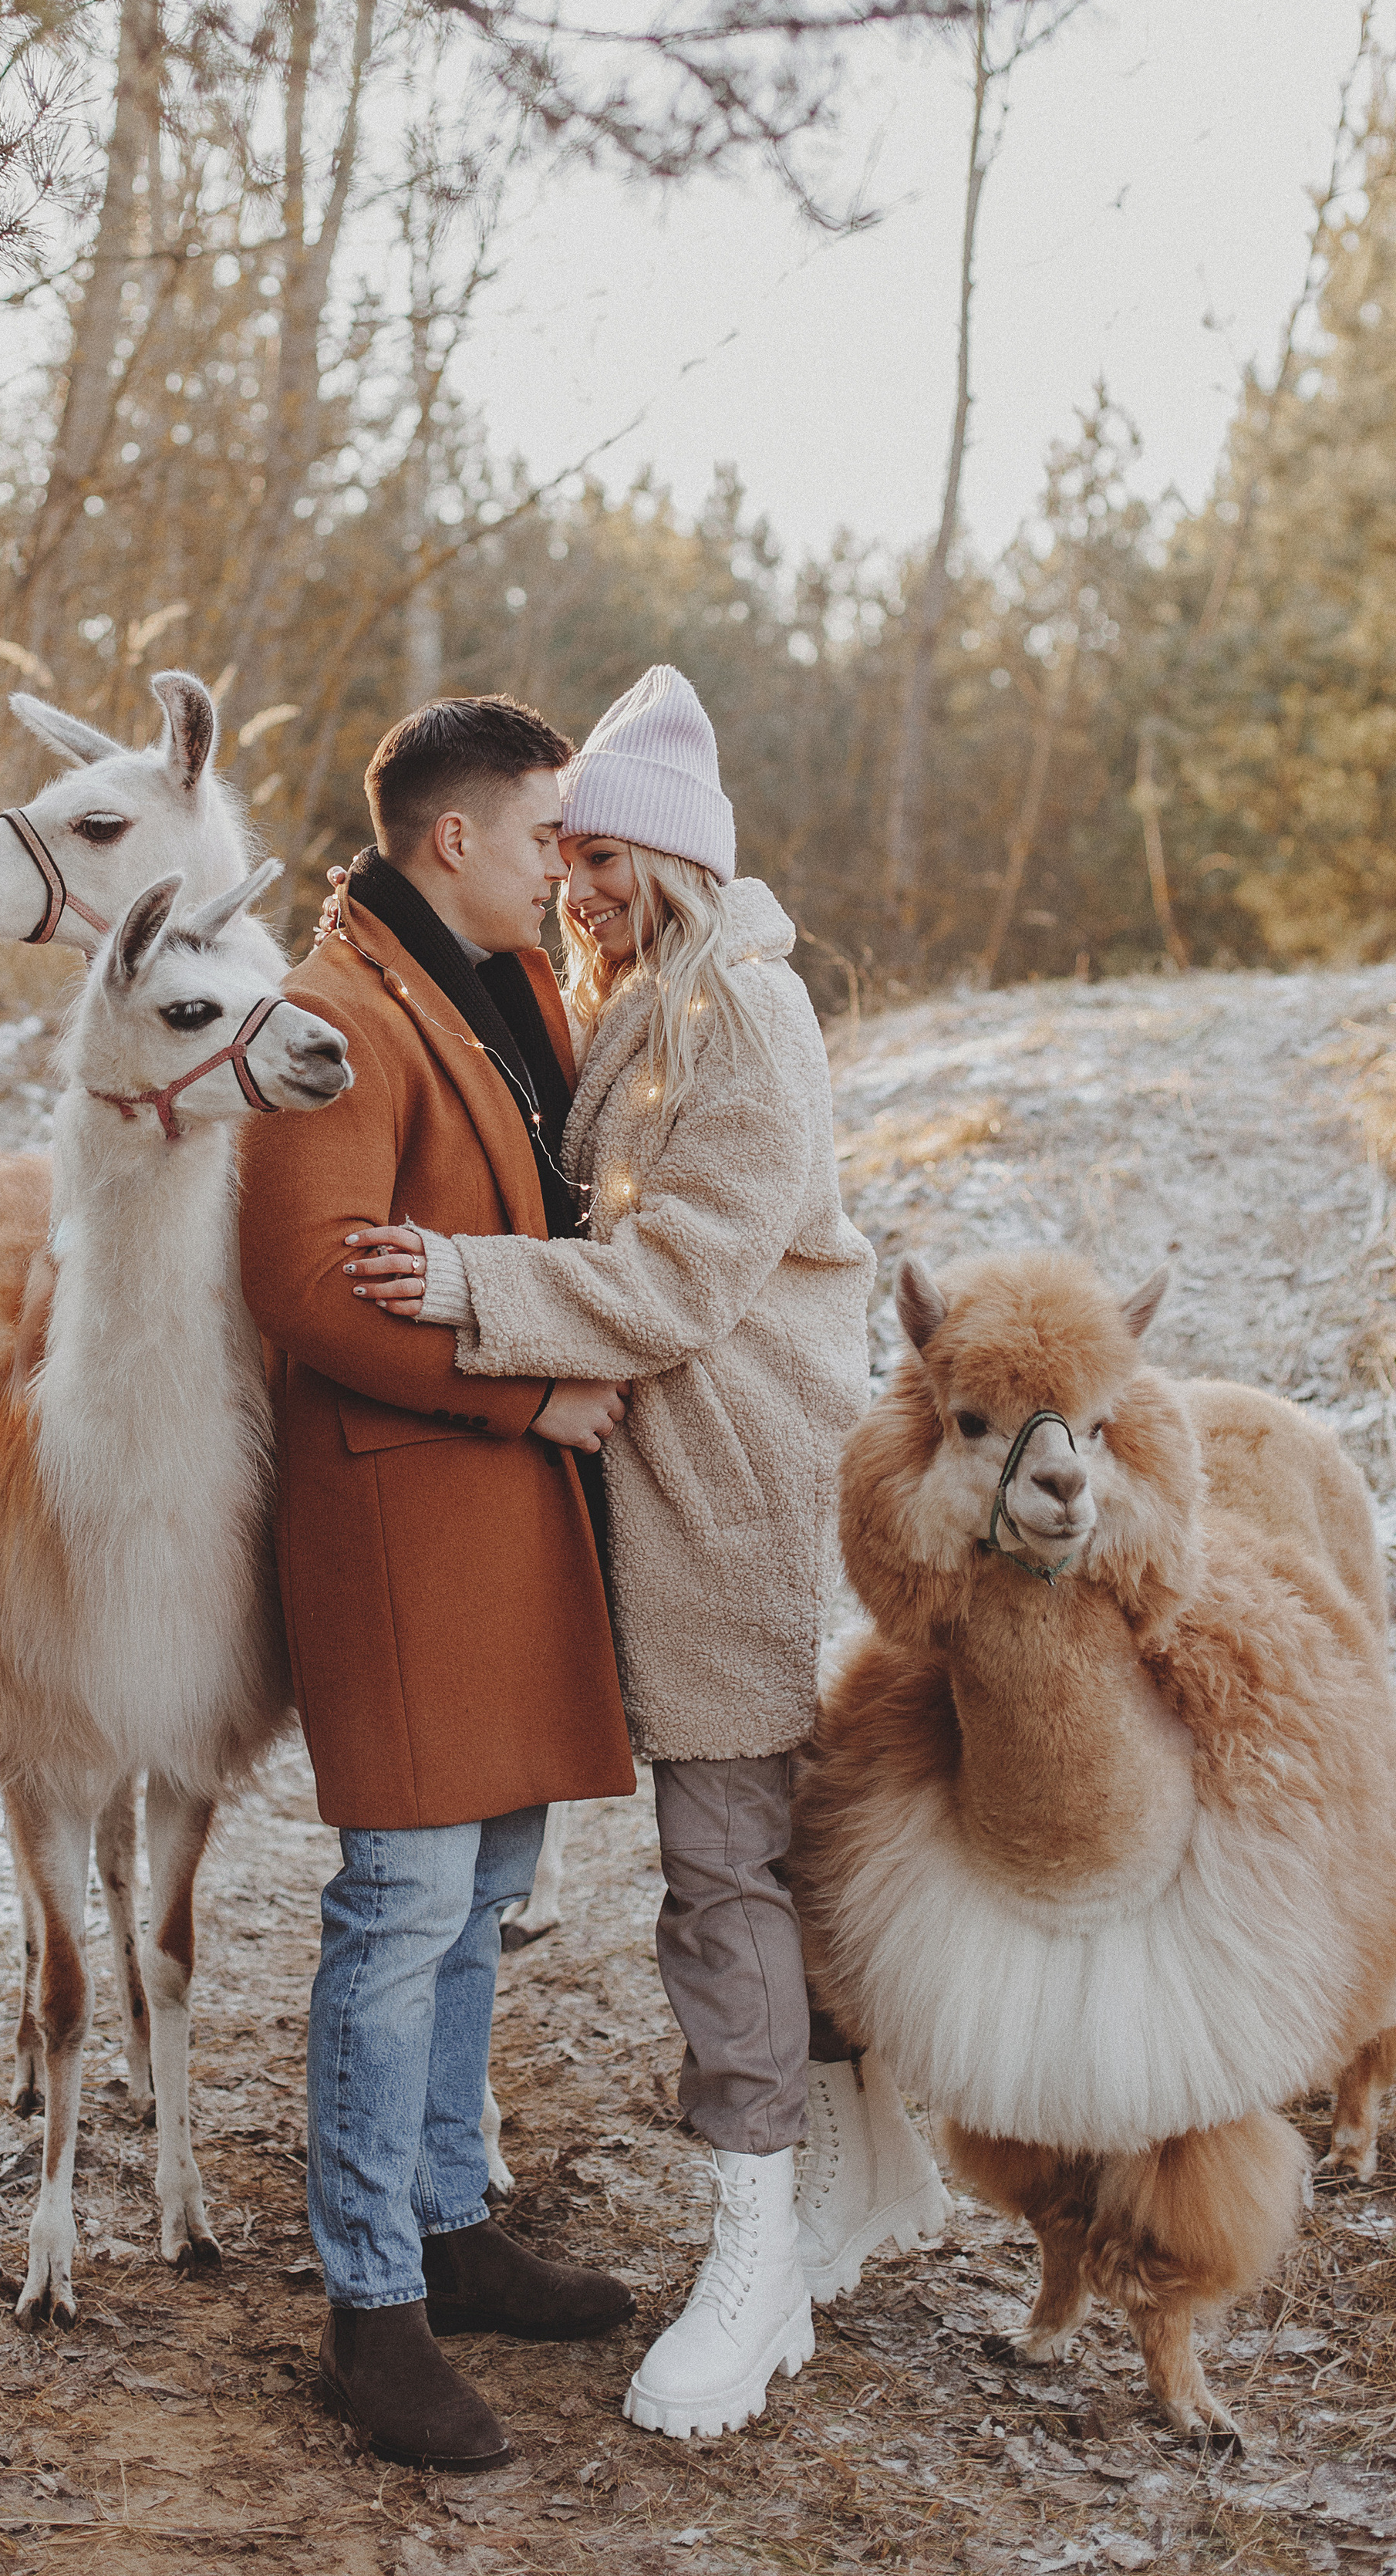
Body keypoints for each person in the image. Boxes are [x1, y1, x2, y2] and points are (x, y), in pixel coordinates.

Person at [344, 665, 948, 2442]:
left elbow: (679, 1282)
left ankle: (752, 2251)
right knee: (756, 1851)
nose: (577, 886)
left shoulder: (741, 1017)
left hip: (735, 1493)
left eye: (600, 855)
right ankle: (862, 2178)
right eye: (568, 853)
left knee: (720, 1875)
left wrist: (458, 1284)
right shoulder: (645, 1005)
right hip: (677, 1481)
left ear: (670, 863)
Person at [237, 696, 639, 2478]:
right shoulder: (329, 1015)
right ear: (449, 838)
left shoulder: (510, 986)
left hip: (508, 1523)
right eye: (547, 827)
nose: (566, 859)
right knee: (397, 1904)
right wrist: (533, 1384)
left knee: (481, 1889)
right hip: (406, 1516)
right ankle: (368, 2308)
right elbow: (312, 1292)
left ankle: (452, 2223)